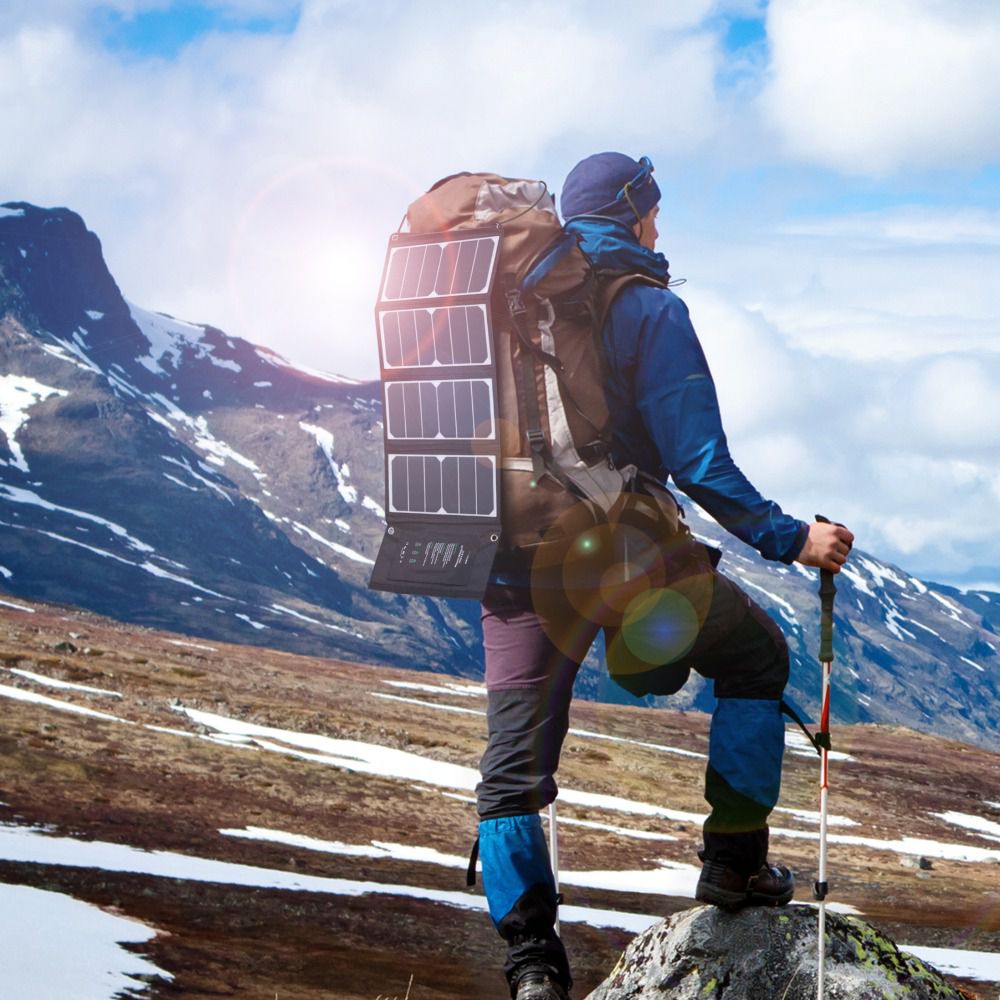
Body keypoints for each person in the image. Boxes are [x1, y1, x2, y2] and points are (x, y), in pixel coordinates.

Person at [473, 152, 855, 1000]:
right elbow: (701, 464)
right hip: (622, 564)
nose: (661, 227)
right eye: (654, 210)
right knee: (754, 656)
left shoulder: (497, 311)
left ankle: (532, 964)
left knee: (513, 767)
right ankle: (733, 869)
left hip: (511, 567)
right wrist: (794, 539)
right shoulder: (647, 308)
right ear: (632, 213)